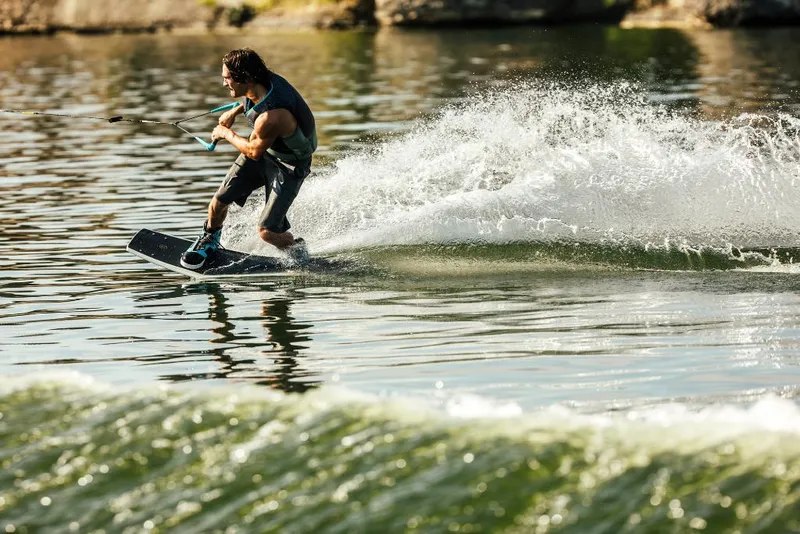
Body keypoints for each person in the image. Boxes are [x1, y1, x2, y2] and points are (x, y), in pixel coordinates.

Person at [180, 48, 317, 270]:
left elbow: (253, 151)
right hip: (266, 152)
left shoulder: (273, 117)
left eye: (227, 78)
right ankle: (209, 240)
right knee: (218, 202)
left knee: (267, 232)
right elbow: (252, 98)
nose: (224, 83)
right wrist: (234, 111)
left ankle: (297, 250)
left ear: (246, 78)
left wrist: (225, 134)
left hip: (289, 165)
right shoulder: (261, 82)